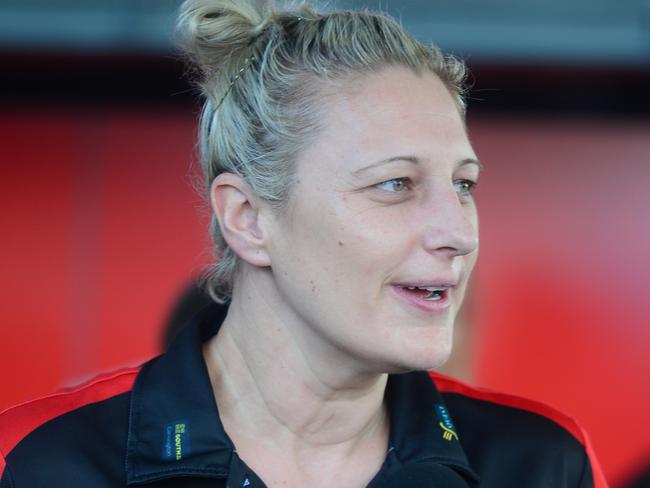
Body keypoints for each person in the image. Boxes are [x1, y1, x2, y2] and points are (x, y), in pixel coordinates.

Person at [0, 1, 607, 487]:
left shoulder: (543, 464)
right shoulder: (40, 462)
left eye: (463, 184)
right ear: (248, 218)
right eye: (395, 184)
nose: (458, 233)